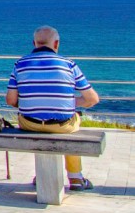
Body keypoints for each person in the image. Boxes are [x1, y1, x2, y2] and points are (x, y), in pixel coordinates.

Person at [7, 26, 100, 191]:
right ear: (56, 44)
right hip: (61, 126)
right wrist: (69, 103)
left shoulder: (20, 64)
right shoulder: (69, 64)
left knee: (38, 123)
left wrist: (32, 101)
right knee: (73, 119)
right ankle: (75, 177)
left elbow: (11, 100)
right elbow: (92, 99)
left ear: (34, 43)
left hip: (30, 124)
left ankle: (42, 174)